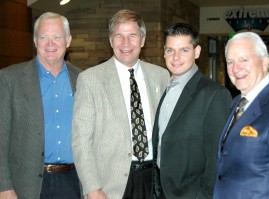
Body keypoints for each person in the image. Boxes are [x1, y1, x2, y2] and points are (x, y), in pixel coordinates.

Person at [72, 9, 169, 199]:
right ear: (111, 41)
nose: (126, 43)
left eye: (132, 36)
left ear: (142, 40)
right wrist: (93, 189)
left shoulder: (161, 76)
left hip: (155, 180)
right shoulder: (90, 79)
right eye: (119, 36)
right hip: (111, 186)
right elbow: (81, 141)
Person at [0, 12, 82, 199]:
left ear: (68, 40)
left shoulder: (82, 79)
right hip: (26, 185)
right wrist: (3, 187)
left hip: (73, 182)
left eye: (57, 37)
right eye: (43, 37)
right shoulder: (9, 79)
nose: (50, 43)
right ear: (35, 41)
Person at [213, 32, 269, 199]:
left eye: (244, 60)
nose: (236, 68)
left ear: (265, 62)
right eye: (230, 62)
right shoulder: (237, 102)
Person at [152, 23, 232, 199]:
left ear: (197, 52)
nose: (176, 57)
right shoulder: (165, 89)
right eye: (170, 50)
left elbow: (217, 158)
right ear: (164, 52)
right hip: (163, 192)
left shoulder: (214, 95)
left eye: (184, 50)